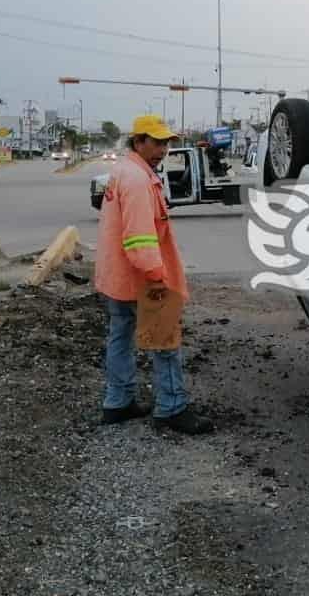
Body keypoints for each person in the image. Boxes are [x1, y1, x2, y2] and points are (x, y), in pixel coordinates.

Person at [93, 114, 214, 433]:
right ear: (139, 142)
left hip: (117, 277)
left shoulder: (123, 171)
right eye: (157, 142)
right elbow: (139, 237)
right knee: (165, 341)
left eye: (167, 143)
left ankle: (117, 402)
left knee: (120, 336)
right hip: (141, 277)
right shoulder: (136, 180)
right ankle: (171, 408)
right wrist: (156, 275)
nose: (164, 149)